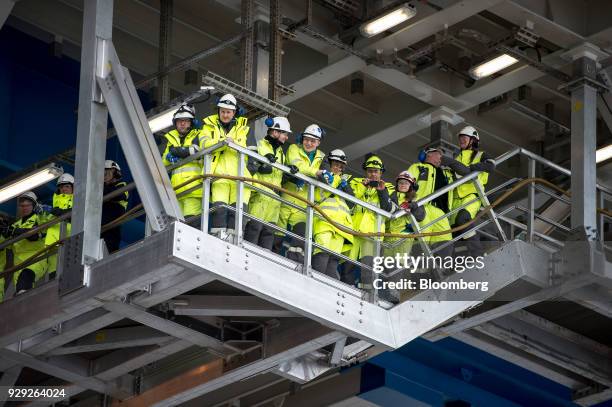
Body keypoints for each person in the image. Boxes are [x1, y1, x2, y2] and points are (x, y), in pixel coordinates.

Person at [275, 124, 328, 263]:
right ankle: (272, 256)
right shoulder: (294, 148)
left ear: (318, 142)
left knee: (300, 235)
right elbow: (297, 166)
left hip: (304, 202)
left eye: (313, 141)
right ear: (302, 139)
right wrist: (315, 173)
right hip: (287, 195)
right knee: (277, 232)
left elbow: (326, 177)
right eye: (307, 139)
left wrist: (323, 175)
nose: (309, 143)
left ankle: (294, 262)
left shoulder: (322, 158)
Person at [201, 94, 251, 241]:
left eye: (228, 112)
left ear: (234, 113)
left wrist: (232, 143)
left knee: (237, 213)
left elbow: (243, 147)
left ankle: (235, 241)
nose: (225, 114)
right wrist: (222, 142)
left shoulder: (242, 128)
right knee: (220, 210)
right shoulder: (208, 126)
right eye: (223, 111)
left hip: (239, 176)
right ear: (218, 111)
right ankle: (218, 240)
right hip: (219, 175)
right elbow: (204, 145)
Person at [442, 126, 495, 256]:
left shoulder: (481, 155)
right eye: (460, 138)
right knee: (451, 233)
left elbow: (491, 165)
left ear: (473, 140)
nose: (461, 140)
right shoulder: (457, 157)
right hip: (454, 200)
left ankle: (477, 253)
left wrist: (471, 169)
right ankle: (449, 266)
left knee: (463, 219)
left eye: (464, 138)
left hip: (472, 196)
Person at [345, 154, 394, 287]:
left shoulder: (388, 187)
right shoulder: (356, 182)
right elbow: (349, 202)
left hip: (373, 235)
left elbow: (389, 210)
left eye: (376, 171)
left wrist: (381, 191)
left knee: (368, 271)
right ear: (365, 171)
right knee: (346, 267)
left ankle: (368, 296)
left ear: (381, 173)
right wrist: (363, 187)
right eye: (370, 171)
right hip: (353, 231)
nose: (373, 174)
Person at [244, 117, 290, 250]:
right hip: (260, 196)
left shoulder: (281, 153)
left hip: (274, 200)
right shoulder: (260, 145)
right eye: (284, 134)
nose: (286, 138)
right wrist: (262, 163)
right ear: (275, 132)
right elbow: (251, 166)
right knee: (254, 228)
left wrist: (289, 173)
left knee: (268, 234)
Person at [311, 149, 354, 279]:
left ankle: (328, 284)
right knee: (322, 251)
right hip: (324, 221)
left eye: (341, 166)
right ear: (329, 163)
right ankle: (316, 280)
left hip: (341, 225)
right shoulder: (323, 176)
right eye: (335, 164)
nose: (338, 168)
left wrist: (345, 186)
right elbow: (317, 195)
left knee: (334, 257)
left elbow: (352, 203)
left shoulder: (345, 181)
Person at [406, 147, 454, 256]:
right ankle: (420, 269)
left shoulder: (446, 173)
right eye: (438, 154)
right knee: (422, 240)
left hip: (440, 212)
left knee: (445, 240)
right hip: (422, 208)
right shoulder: (418, 167)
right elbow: (406, 186)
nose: (441, 157)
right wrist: (412, 203)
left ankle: (442, 267)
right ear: (428, 155)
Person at [161, 104, 204, 217]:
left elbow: (197, 151)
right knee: (176, 224)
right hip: (176, 191)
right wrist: (169, 157)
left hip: (193, 188)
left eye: (185, 121)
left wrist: (177, 151)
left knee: (191, 224)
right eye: (179, 121)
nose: (182, 123)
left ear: (192, 122)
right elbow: (163, 163)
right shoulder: (171, 138)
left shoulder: (199, 135)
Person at [7, 191, 48, 294]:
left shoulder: (39, 219)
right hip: (18, 264)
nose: (24, 208)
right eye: (22, 206)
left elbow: (33, 236)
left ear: (34, 206)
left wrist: (14, 232)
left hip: (36, 258)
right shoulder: (16, 225)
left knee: (25, 278)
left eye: (27, 205)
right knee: (19, 291)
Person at [385, 171, 425, 258]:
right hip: (388, 236)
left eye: (406, 183)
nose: (403, 185)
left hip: (405, 237)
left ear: (411, 185)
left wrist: (411, 206)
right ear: (397, 184)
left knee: (399, 264)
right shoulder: (390, 195)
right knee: (386, 264)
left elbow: (421, 216)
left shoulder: (415, 198)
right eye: (401, 183)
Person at [45, 173, 74, 274]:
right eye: (61, 187)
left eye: (67, 186)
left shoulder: (78, 200)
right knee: (54, 271)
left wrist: (53, 211)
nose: (64, 189)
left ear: (73, 188)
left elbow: (73, 214)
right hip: (53, 243)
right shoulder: (54, 205)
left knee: (69, 270)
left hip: (70, 239)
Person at [102, 160, 128, 253]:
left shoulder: (122, 185)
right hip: (100, 225)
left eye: (107, 172)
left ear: (116, 173)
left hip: (113, 225)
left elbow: (117, 195)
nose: (105, 175)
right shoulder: (101, 188)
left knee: (110, 249)